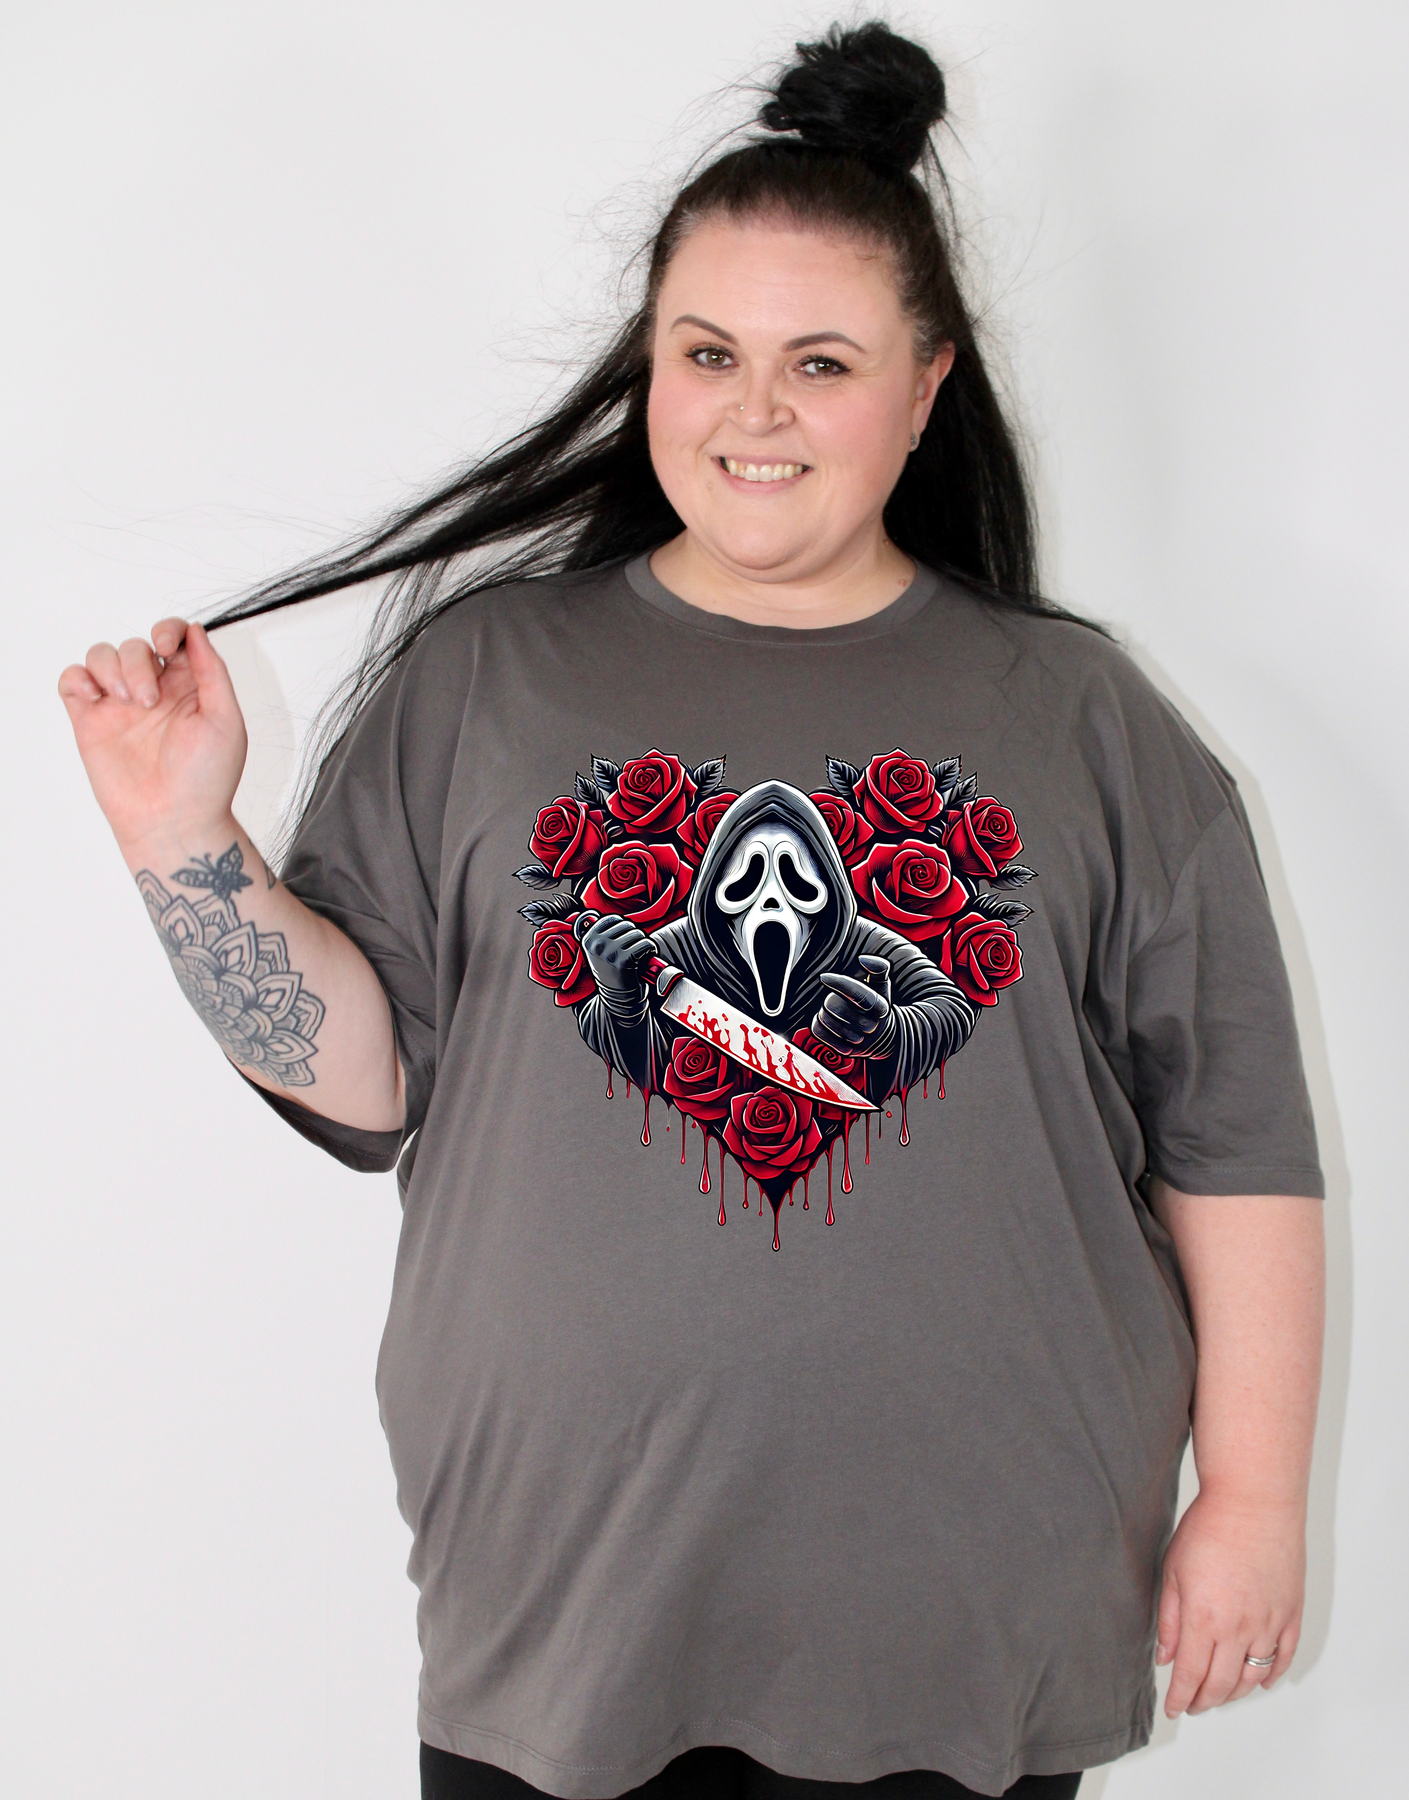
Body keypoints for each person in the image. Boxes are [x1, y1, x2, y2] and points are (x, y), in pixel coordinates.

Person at [57, 21, 1325, 1800]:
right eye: (708, 352)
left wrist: (1254, 1499)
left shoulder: (1087, 721)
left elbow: (1235, 1140)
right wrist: (183, 843)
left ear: (928, 388)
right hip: (561, 1611)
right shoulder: (485, 681)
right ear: (649, 362)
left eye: (822, 363)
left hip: (975, 1607)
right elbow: (366, 1077)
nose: (753, 411)